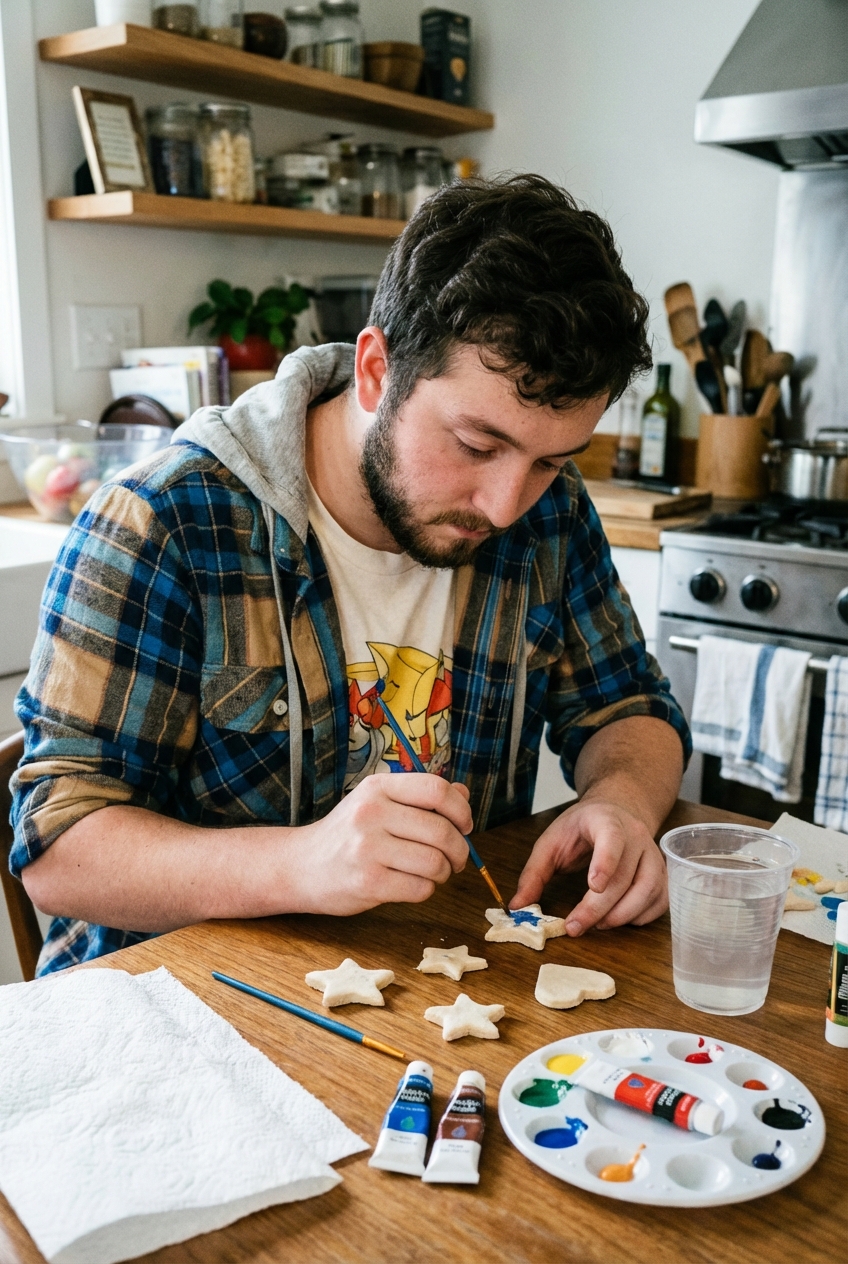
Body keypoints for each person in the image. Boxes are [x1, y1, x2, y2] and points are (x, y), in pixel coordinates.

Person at [12, 175, 690, 975]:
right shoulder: (165, 520)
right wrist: (301, 863)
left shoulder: (552, 512)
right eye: (475, 445)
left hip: (432, 984)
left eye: (549, 460)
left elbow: (628, 707)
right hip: (176, 1007)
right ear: (375, 370)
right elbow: (60, 848)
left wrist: (621, 802)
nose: (506, 505)